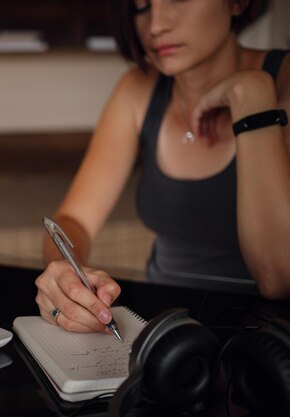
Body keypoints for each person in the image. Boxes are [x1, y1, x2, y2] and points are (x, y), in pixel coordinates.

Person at [35, 0, 290, 334]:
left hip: (265, 342)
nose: (155, 25)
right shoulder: (137, 90)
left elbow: (278, 277)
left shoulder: (283, 81)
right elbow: (73, 221)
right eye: (141, 6)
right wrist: (67, 277)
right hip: (164, 333)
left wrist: (251, 98)